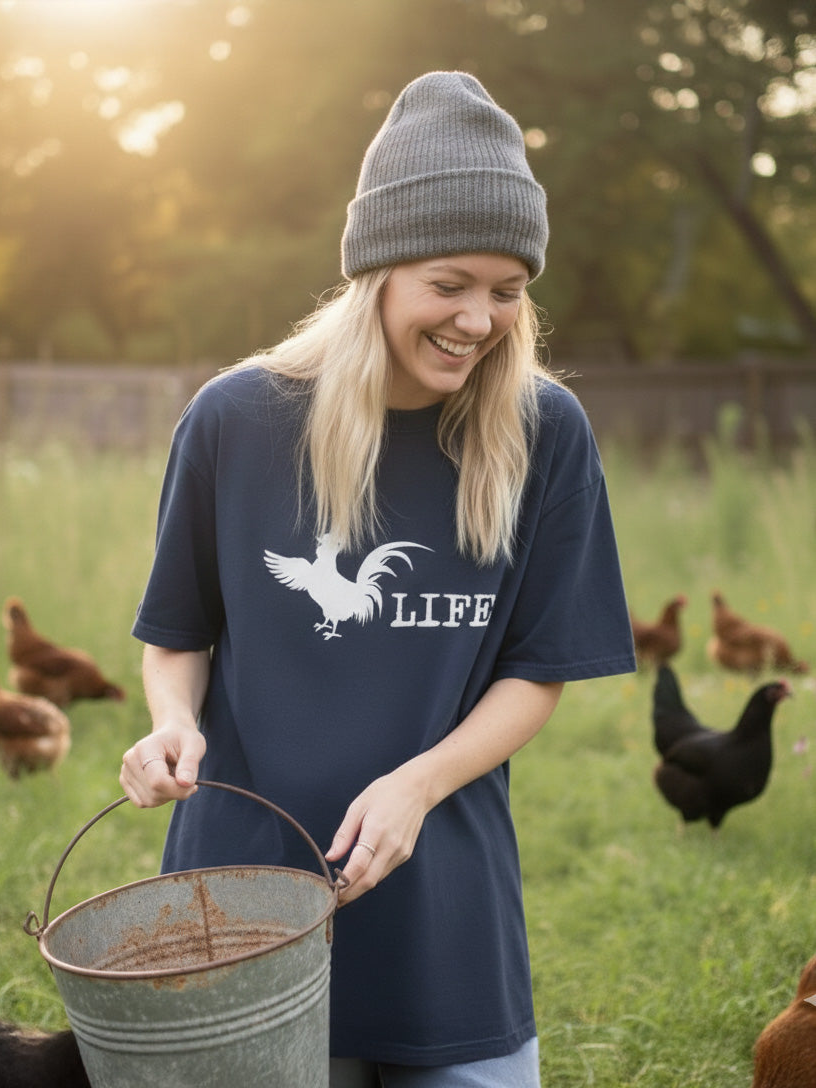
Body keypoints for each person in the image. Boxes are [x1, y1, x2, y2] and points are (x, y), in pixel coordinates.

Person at [120, 70, 636, 1088]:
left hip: (445, 902)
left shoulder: (545, 433)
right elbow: (177, 630)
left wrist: (416, 785)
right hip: (243, 892)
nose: (480, 319)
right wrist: (171, 719)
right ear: (378, 272)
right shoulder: (235, 419)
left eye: (507, 288)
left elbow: (537, 670)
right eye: (450, 283)